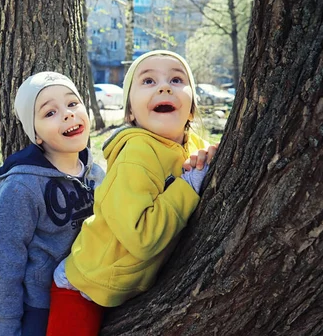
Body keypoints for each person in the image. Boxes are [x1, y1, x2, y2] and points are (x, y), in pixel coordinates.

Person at [47, 50, 216, 335]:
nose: (164, 87)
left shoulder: (190, 145)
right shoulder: (136, 153)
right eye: (148, 81)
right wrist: (187, 186)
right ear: (130, 113)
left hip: (124, 280)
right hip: (85, 284)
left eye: (176, 79)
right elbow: (142, 236)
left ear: (192, 109)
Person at [0, 71, 105, 336]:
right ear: (36, 135)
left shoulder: (96, 173)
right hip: (43, 308)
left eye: (72, 103)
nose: (67, 114)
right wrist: (6, 328)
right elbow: (7, 265)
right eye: (49, 113)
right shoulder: (21, 188)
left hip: (95, 291)